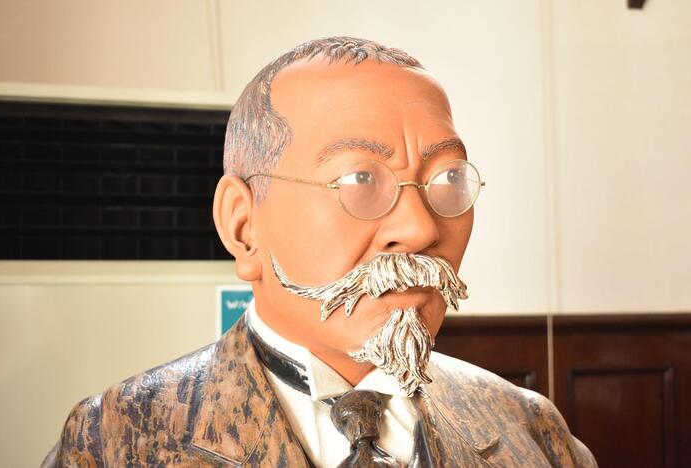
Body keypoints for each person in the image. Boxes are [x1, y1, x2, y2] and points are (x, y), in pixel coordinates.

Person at [43, 37, 596, 467]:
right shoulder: (113, 440)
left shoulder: (534, 431)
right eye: (361, 179)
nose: (420, 228)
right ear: (242, 225)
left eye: (448, 178)